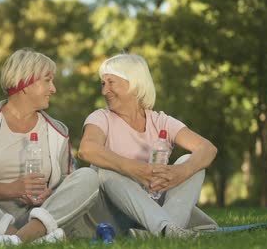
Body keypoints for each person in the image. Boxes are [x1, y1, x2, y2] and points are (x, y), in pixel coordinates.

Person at [0, 48, 99, 246]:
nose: (53, 89)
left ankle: (17, 241)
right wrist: (13, 189)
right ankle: (21, 239)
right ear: (26, 83)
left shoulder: (57, 131)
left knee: (88, 177)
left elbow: (68, 187)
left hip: (36, 221)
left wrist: (50, 193)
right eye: (47, 80)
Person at [78, 53, 218, 238]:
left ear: (134, 83)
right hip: (112, 213)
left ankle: (162, 231)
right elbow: (86, 149)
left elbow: (207, 149)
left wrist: (181, 172)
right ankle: (166, 229)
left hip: (153, 207)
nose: (105, 91)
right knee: (105, 171)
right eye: (103, 84)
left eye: (111, 82)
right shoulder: (100, 118)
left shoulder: (161, 121)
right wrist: (135, 169)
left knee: (191, 162)